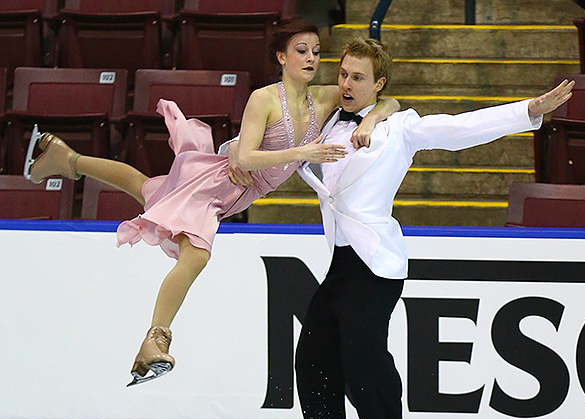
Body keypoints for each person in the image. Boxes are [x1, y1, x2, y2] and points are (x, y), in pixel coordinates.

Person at [268, 37, 574, 419]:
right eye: (343, 74)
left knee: (368, 376)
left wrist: (527, 111)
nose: (346, 83)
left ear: (379, 84)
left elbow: (458, 129)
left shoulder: (400, 127)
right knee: (313, 363)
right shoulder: (325, 120)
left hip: (375, 265)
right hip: (340, 264)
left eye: (358, 77)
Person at [24, 20, 400, 387]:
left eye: (316, 52)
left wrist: (371, 121)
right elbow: (247, 157)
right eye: (301, 51)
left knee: (145, 188)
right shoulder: (264, 99)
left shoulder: (324, 97)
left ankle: (67, 159)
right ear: (281, 57)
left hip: (234, 193)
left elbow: (390, 100)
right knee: (196, 256)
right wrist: (300, 152)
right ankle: (155, 339)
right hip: (216, 187)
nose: (311, 59)